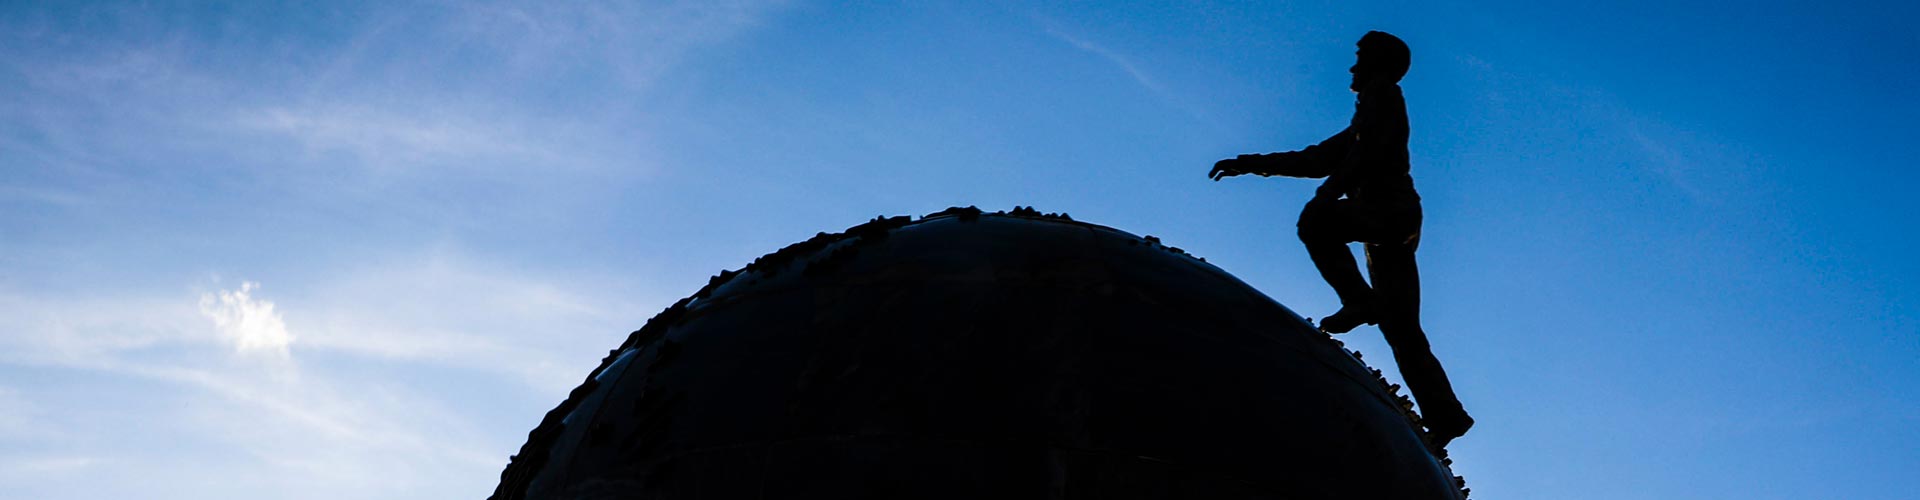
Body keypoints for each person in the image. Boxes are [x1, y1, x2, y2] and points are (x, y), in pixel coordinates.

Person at [1207, 31, 1473, 446]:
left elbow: (1370, 153)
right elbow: (1315, 158)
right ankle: (1446, 415)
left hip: (1388, 213)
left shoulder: (1381, 94)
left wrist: (1329, 192)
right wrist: (1250, 164)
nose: (1352, 68)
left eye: (1360, 59)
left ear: (1378, 66)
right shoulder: (1363, 123)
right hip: (1392, 227)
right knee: (1402, 329)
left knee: (1316, 222)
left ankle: (1358, 299)